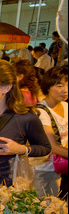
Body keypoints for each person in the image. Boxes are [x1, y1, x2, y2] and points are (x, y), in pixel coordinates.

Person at [31, 65, 68, 197]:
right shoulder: (41, 111)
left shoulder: (65, 105)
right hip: (42, 169)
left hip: (59, 168)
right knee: (41, 207)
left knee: (54, 206)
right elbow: (52, 146)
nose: (65, 90)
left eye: (67, 84)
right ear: (47, 87)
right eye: (59, 86)